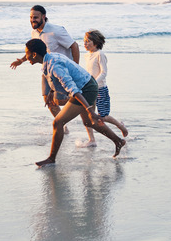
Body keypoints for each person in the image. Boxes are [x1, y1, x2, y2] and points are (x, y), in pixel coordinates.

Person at [23, 39, 125, 167]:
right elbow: (54, 78)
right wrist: (50, 92)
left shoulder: (55, 66)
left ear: (34, 54)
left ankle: (51, 158)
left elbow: (73, 89)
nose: (25, 57)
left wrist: (89, 109)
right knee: (88, 122)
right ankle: (118, 141)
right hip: (87, 84)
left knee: (58, 122)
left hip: (85, 89)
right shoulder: (49, 59)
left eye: (26, 53)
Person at [10, 5, 96, 144]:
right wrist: (22, 60)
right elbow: (34, 50)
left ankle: (89, 129)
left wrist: (75, 66)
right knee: (48, 101)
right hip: (47, 71)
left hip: (63, 71)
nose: (33, 20)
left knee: (75, 99)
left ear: (44, 17)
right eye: (31, 18)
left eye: (36, 17)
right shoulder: (35, 33)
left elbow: (74, 46)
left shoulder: (56, 30)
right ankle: (63, 125)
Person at [84, 30, 128, 137]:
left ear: (95, 42)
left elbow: (103, 72)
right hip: (90, 89)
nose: (85, 43)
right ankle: (92, 140)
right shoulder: (87, 55)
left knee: (103, 117)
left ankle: (121, 126)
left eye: (88, 41)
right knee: (88, 116)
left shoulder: (100, 54)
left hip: (100, 89)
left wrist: (94, 83)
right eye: (84, 41)